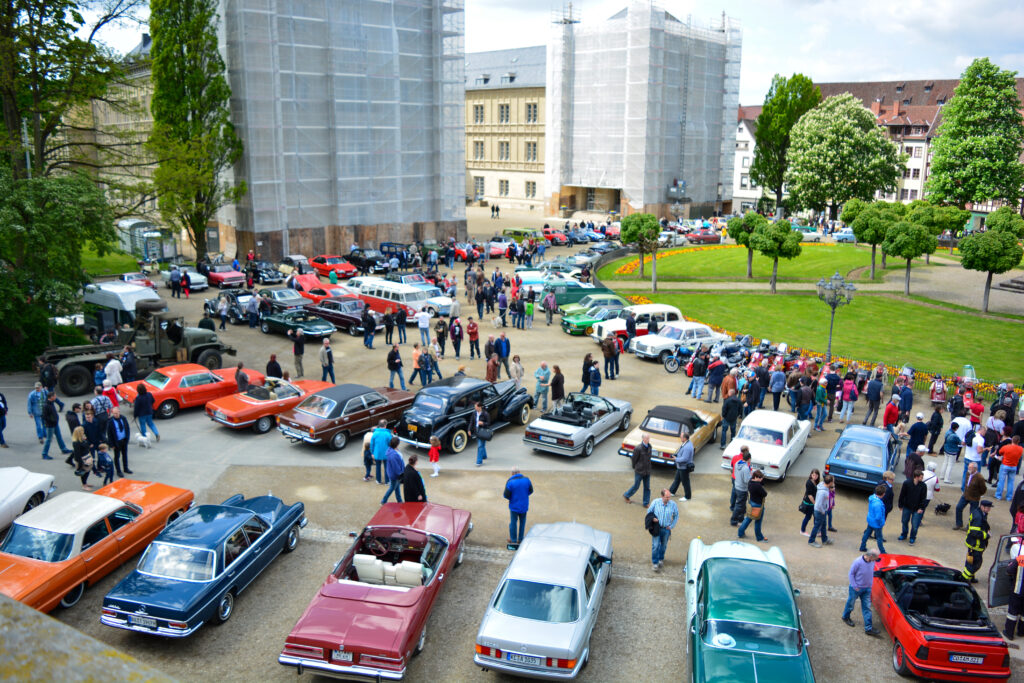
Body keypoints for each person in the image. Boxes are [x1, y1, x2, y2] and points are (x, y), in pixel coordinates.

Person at [842, 550, 882, 636]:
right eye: (876, 557)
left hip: (867, 589)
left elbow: (869, 572)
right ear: (871, 556)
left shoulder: (872, 561)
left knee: (867, 607)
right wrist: (854, 586)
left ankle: (868, 628)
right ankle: (845, 617)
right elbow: (851, 574)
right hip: (856, 589)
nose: (877, 559)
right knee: (851, 604)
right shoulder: (858, 562)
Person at [647, 489, 679, 572]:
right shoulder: (655, 502)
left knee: (663, 545)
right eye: (666, 497)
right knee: (655, 546)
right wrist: (653, 519)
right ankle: (655, 563)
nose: (668, 499)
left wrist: (671, 526)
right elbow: (649, 512)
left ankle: (661, 559)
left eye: (669, 497)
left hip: (666, 529)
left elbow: (676, 516)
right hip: (657, 528)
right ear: (662, 496)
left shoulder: (673, 505)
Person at [962, 500, 993, 583]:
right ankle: (964, 579)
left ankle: (970, 578)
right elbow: (975, 532)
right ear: (982, 507)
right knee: (975, 564)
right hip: (975, 544)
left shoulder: (980, 513)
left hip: (975, 544)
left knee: (972, 562)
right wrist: (987, 535)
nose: (989, 509)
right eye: (988, 508)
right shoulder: (978, 517)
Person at [504, 467, 534, 548]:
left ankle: (513, 540)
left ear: (512, 473)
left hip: (514, 506)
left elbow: (506, 495)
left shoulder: (510, 482)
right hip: (524, 505)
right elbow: (531, 490)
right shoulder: (527, 480)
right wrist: (524, 496)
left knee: (513, 523)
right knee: (522, 522)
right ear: (519, 472)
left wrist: (512, 498)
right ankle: (520, 539)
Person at [898, 469, 927, 545]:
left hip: (917, 509)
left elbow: (923, 498)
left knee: (915, 525)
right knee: (904, 521)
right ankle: (904, 534)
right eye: (921, 477)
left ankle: (912, 537)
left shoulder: (923, 486)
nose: (922, 478)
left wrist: (921, 508)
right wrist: (900, 505)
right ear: (916, 477)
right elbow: (902, 494)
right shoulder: (907, 483)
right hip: (907, 506)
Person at [737, 469, 768, 542]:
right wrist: (760, 484)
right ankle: (759, 538)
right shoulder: (757, 486)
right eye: (760, 478)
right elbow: (765, 494)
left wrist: (760, 481)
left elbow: (762, 484)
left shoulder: (751, 481)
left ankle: (740, 533)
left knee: (748, 518)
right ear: (756, 477)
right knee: (758, 521)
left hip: (752, 503)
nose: (761, 479)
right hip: (758, 505)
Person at [1002, 541, 1024, 640]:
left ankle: (1009, 633)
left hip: (1017, 591)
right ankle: (1021, 632)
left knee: (1012, 613)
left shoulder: (1020, 559)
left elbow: (1009, 571)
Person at [955, 462, 987, 530]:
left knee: (972, 513)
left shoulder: (980, 478)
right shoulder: (968, 473)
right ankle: (959, 524)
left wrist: (977, 494)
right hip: (965, 495)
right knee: (958, 508)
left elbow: (983, 489)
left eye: (970, 468)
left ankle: (969, 526)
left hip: (974, 498)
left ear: (975, 468)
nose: (968, 469)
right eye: (969, 467)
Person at [41, 391, 72, 460]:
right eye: (55, 396)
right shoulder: (46, 405)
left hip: (54, 424)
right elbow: (44, 416)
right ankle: (44, 453)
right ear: (51, 397)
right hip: (50, 425)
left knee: (59, 436)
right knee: (49, 439)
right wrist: (52, 420)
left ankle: (63, 449)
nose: (56, 397)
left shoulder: (51, 403)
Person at [623, 434, 652, 506]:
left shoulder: (650, 447)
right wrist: (635, 467)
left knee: (647, 487)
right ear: (643, 439)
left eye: (649, 438)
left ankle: (646, 503)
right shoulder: (638, 448)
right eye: (647, 438)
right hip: (639, 471)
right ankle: (627, 495)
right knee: (636, 486)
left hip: (647, 471)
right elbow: (634, 459)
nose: (648, 439)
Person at [808, 474, 835, 548]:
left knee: (823, 526)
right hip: (820, 511)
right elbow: (818, 504)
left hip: (823, 510)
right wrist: (823, 511)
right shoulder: (822, 492)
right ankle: (811, 541)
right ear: (829, 483)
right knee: (817, 526)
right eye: (833, 481)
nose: (834, 483)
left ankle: (824, 540)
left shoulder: (823, 486)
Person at [105, 405, 131, 477]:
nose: (115, 415)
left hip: (124, 440)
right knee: (117, 457)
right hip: (116, 442)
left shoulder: (123, 418)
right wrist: (111, 444)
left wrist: (127, 438)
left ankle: (126, 468)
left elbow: (127, 428)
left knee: (125, 455)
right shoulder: (110, 422)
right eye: (114, 413)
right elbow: (109, 434)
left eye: (117, 413)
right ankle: (118, 471)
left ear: (119, 412)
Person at [668, 432, 694, 501]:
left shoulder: (687, 447)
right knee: (677, 480)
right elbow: (681, 454)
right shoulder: (686, 443)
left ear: (685, 438)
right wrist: (676, 455)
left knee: (685, 482)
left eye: (681, 437)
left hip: (684, 468)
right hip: (681, 467)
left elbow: (684, 459)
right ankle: (672, 491)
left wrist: (676, 459)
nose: (680, 437)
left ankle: (687, 496)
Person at [730, 447, 752, 526]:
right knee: (739, 505)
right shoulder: (746, 468)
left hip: (737, 485)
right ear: (748, 459)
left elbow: (735, 473)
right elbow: (746, 480)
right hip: (742, 488)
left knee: (741, 504)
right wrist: (751, 476)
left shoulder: (737, 463)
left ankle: (740, 519)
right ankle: (734, 520)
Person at [997, 435, 1023, 501]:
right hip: (1014, 466)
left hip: (1005, 465)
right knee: (1011, 482)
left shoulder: (1006, 447)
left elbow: (1000, 452)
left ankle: (998, 495)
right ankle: (1009, 497)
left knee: (1001, 481)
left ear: (1012, 440)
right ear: (1018, 441)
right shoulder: (1021, 449)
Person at [381, 438, 405, 504]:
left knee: (397, 488)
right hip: (395, 475)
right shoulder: (393, 455)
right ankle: (383, 501)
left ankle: (399, 501)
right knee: (392, 488)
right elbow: (395, 467)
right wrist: (401, 474)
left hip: (396, 474)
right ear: (396, 444)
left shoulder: (394, 450)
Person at [800, 469, 821, 535]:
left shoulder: (815, 482)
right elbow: (809, 495)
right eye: (813, 475)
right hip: (809, 503)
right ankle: (802, 531)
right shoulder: (809, 482)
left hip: (812, 503)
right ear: (811, 475)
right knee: (808, 517)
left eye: (816, 475)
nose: (815, 476)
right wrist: (815, 503)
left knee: (815, 516)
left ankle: (817, 531)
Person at [472, 401, 490, 466]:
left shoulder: (485, 414)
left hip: (482, 431)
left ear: (479, 407)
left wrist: (483, 423)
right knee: (482, 445)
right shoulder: (474, 413)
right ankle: (484, 456)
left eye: (475, 407)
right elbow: (471, 422)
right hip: (476, 431)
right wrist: (469, 430)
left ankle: (479, 461)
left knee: (480, 446)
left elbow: (488, 423)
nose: (475, 408)